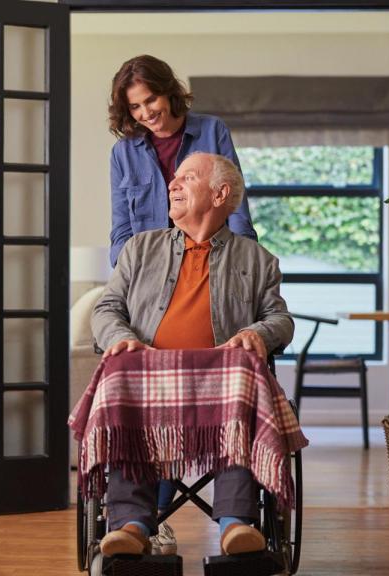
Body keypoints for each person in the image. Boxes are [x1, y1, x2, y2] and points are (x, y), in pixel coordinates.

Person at [91, 152, 294, 557]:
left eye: (187, 177)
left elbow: (280, 319)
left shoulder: (257, 260)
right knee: (122, 372)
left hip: (221, 384)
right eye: (175, 178)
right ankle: (131, 525)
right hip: (150, 378)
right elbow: (106, 308)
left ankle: (236, 525)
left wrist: (257, 333)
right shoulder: (139, 249)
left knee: (243, 373)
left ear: (219, 194)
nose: (172, 184)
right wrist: (119, 338)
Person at [107, 54, 257, 269]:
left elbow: (234, 205)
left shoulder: (212, 130)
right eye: (135, 106)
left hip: (211, 264)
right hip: (149, 269)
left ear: (168, 91)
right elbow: (121, 225)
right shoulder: (122, 152)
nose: (146, 113)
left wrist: (243, 262)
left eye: (150, 100)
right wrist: (126, 271)